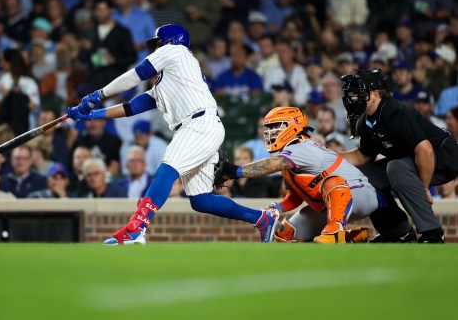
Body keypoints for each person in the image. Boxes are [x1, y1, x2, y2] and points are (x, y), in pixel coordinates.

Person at [67, 24, 278, 245]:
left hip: (198, 124)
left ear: (170, 41)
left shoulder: (176, 52)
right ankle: (262, 219)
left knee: (167, 169)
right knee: (201, 200)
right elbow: (131, 107)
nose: (155, 49)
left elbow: (137, 74)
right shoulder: (168, 80)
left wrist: (99, 93)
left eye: (158, 43)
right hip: (200, 126)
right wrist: (91, 115)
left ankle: (137, 228)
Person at [214, 107, 378, 243]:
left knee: (332, 182)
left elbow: (272, 165)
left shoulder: (302, 147)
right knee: (285, 234)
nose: (270, 132)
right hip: (331, 202)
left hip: (359, 193)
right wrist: (279, 207)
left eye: (275, 127)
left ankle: (336, 231)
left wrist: (235, 171)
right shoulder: (292, 153)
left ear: (292, 126)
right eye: (269, 128)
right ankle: (352, 238)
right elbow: (296, 195)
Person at [340, 69, 458, 243]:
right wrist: (326, 156)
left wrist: (423, 188)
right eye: (352, 94)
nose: (353, 98)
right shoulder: (366, 121)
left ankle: (433, 232)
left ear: (374, 95)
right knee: (364, 176)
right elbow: (363, 156)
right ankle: (397, 232)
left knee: (396, 167)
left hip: (443, 156)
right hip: (412, 160)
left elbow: (424, 150)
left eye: (358, 93)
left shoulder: (396, 112)